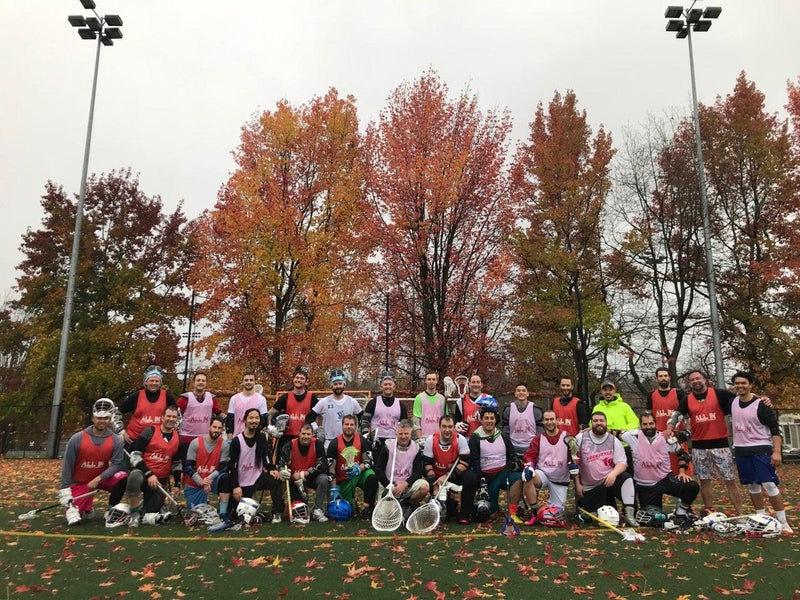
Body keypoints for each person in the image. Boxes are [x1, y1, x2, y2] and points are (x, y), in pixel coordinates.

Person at [665, 369, 745, 515]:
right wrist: (669, 427)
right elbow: (677, 414)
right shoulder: (687, 399)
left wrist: (760, 398)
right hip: (699, 446)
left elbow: (743, 399)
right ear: (689, 383)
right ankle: (709, 511)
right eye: (692, 380)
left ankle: (741, 514)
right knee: (704, 481)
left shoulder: (719, 394)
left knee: (730, 481)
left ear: (704, 380)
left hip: (720, 445)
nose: (695, 381)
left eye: (698, 378)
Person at [729, 371, 792, 533]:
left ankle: (783, 522)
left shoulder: (762, 405)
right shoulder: (732, 402)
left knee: (769, 484)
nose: (740, 386)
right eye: (737, 383)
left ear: (750, 385)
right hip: (741, 451)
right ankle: (761, 520)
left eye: (744, 383)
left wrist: (776, 452)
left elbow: (775, 429)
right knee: (753, 485)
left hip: (761, 449)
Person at [620, 412, 699, 527]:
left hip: (665, 479)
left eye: (651, 423)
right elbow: (613, 433)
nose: (648, 427)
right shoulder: (632, 436)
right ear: (640, 425)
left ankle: (680, 512)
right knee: (654, 520)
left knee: (692, 486)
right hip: (646, 486)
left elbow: (682, 455)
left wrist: (682, 472)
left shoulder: (665, 438)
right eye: (645, 424)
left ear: (655, 424)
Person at [59, 398, 127, 525]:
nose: (101, 421)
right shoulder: (77, 438)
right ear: (92, 418)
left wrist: (98, 479)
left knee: (122, 477)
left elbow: (117, 464)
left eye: (105, 418)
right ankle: (86, 505)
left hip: (100, 479)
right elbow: (67, 466)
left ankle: (110, 509)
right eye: (98, 418)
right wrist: (65, 491)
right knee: (74, 518)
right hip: (80, 481)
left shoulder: (116, 440)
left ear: (110, 419)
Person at [215, 408, 284, 529]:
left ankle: (276, 513)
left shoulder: (261, 438)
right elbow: (232, 465)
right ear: (245, 421)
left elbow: (266, 456)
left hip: (256, 477)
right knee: (236, 514)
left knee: (276, 479)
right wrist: (236, 486)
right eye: (251, 418)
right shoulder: (237, 440)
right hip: (241, 480)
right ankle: (224, 511)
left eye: (257, 418)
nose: (254, 420)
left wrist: (271, 469)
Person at [575, 411, 637, 526]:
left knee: (626, 478)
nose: (599, 423)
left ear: (606, 423)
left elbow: (622, 463)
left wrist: (613, 474)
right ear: (591, 423)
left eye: (601, 421)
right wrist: (577, 484)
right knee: (598, 518)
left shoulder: (613, 440)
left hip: (608, 482)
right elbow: (574, 463)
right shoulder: (580, 438)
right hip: (590, 488)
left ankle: (629, 514)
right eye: (595, 421)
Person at [124, 405, 181, 526]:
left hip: (159, 481)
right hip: (143, 474)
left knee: (151, 513)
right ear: (162, 417)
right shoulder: (149, 432)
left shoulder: (177, 437)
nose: (171, 419)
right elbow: (135, 455)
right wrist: (149, 474)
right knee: (134, 477)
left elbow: (177, 463)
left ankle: (142, 508)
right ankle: (134, 513)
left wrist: (177, 484)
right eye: (168, 416)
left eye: (174, 417)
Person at [521, 410, 577, 525]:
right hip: (543, 475)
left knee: (556, 515)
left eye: (552, 419)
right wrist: (529, 466)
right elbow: (529, 455)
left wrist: (573, 464)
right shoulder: (538, 438)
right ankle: (534, 513)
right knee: (527, 476)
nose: (549, 422)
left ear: (557, 420)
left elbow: (575, 456)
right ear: (543, 421)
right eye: (546, 419)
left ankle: (547, 510)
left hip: (560, 480)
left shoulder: (567, 437)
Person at [468, 402, 522, 521]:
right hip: (487, 477)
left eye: (492, 418)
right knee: (491, 515)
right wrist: (480, 480)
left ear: (495, 420)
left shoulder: (502, 435)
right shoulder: (475, 437)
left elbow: (512, 453)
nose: (489, 421)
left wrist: (515, 461)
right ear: (481, 420)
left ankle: (513, 512)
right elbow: (474, 462)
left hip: (503, 473)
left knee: (519, 478)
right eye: (486, 418)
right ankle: (490, 507)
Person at [422, 415, 477, 524]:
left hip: (453, 475)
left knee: (470, 477)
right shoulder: (430, 440)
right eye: (444, 426)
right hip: (437, 478)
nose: (447, 430)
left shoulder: (460, 440)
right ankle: (450, 504)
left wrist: (446, 476)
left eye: (450, 427)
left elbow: (465, 463)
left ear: (454, 427)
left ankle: (465, 514)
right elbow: (426, 465)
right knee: (447, 512)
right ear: (439, 427)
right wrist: (435, 486)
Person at [374, 420, 429, 519]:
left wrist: (404, 484)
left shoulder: (416, 448)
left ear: (410, 434)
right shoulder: (388, 447)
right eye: (400, 434)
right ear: (396, 434)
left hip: (407, 486)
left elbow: (417, 472)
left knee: (424, 487)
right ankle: (400, 507)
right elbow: (378, 469)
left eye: (406, 434)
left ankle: (407, 503)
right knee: (386, 517)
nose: (403, 436)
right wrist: (389, 485)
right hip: (389, 486)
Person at [326, 414, 378, 519]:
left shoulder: (362, 440)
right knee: (348, 511)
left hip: (359, 475)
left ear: (355, 426)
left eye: (351, 424)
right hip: (343, 480)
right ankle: (353, 503)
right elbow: (331, 468)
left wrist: (359, 468)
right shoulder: (334, 443)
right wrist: (334, 488)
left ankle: (367, 508)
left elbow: (369, 461)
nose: (349, 427)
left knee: (372, 476)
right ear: (342, 425)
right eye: (346, 424)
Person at [277, 423, 330, 522]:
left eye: (308, 434)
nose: (306, 436)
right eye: (303, 434)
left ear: (312, 434)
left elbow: (323, 465)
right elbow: (281, 462)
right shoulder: (290, 445)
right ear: (299, 434)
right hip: (295, 480)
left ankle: (317, 509)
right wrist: (282, 471)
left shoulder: (317, 444)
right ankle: (278, 510)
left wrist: (304, 474)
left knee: (324, 479)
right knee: (299, 510)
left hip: (312, 478)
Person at [647, 368, 692, 476]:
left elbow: (689, 414)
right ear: (657, 378)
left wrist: (687, 431)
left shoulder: (679, 393)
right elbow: (648, 417)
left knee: (681, 466)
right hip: (658, 437)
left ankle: (684, 484)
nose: (663, 378)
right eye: (660, 376)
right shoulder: (651, 395)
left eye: (665, 375)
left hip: (677, 435)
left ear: (669, 377)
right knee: (660, 468)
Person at [118, 365, 177, 446]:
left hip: (157, 441)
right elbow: (117, 412)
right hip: (134, 440)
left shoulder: (167, 397)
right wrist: (121, 431)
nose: (154, 383)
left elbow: (177, 416)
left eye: (157, 381)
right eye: (151, 381)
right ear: (146, 382)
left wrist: (169, 433)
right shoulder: (136, 396)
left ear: (160, 383)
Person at [269, 366, 318, 456]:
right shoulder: (285, 397)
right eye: (297, 377)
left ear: (306, 381)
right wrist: (271, 428)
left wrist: (317, 428)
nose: (299, 380)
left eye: (302, 378)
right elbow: (270, 413)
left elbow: (320, 415)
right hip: (286, 438)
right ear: (293, 379)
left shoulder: (312, 398)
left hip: (305, 438)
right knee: (282, 463)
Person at [306, 370, 362, 449]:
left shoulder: (352, 401)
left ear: (344, 384)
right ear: (331, 385)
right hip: (328, 442)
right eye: (335, 384)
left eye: (340, 383)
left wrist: (358, 430)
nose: (338, 386)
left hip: (348, 442)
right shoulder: (324, 402)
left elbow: (362, 417)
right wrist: (317, 429)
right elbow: (309, 417)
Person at [183, 415, 228, 509]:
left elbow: (223, 467)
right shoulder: (195, 443)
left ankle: (224, 512)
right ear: (209, 427)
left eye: (219, 428)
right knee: (194, 514)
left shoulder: (224, 445)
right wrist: (201, 482)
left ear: (222, 430)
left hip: (212, 481)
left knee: (226, 480)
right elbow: (188, 466)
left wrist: (208, 480)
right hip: (194, 483)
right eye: (214, 427)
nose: (216, 430)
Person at [361, 372, 407, 448]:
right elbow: (365, 421)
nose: (387, 387)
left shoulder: (401, 405)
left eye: (390, 384)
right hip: (376, 441)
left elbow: (404, 425)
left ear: (394, 386)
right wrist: (366, 435)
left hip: (394, 441)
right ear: (381, 386)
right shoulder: (373, 403)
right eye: (385, 384)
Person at [225, 371, 268, 439]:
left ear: (255, 382)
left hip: (254, 438)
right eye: (246, 380)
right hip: (237, 437)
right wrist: (230, 436)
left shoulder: (261, 399)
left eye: (251, 380)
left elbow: (264, 420)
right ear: (242, 382)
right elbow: (230, 419)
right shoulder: (234, 399)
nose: (248, 382)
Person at [412, 371, 447, 442]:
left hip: (439, 437)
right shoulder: (419, 398)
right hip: (424, 437)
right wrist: (420, 437)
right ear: (425, 381)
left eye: (433, 379)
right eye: (429, 379)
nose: (431, 381)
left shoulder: (442, 399)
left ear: (437, 381)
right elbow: (416, 420)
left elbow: (445, 419)